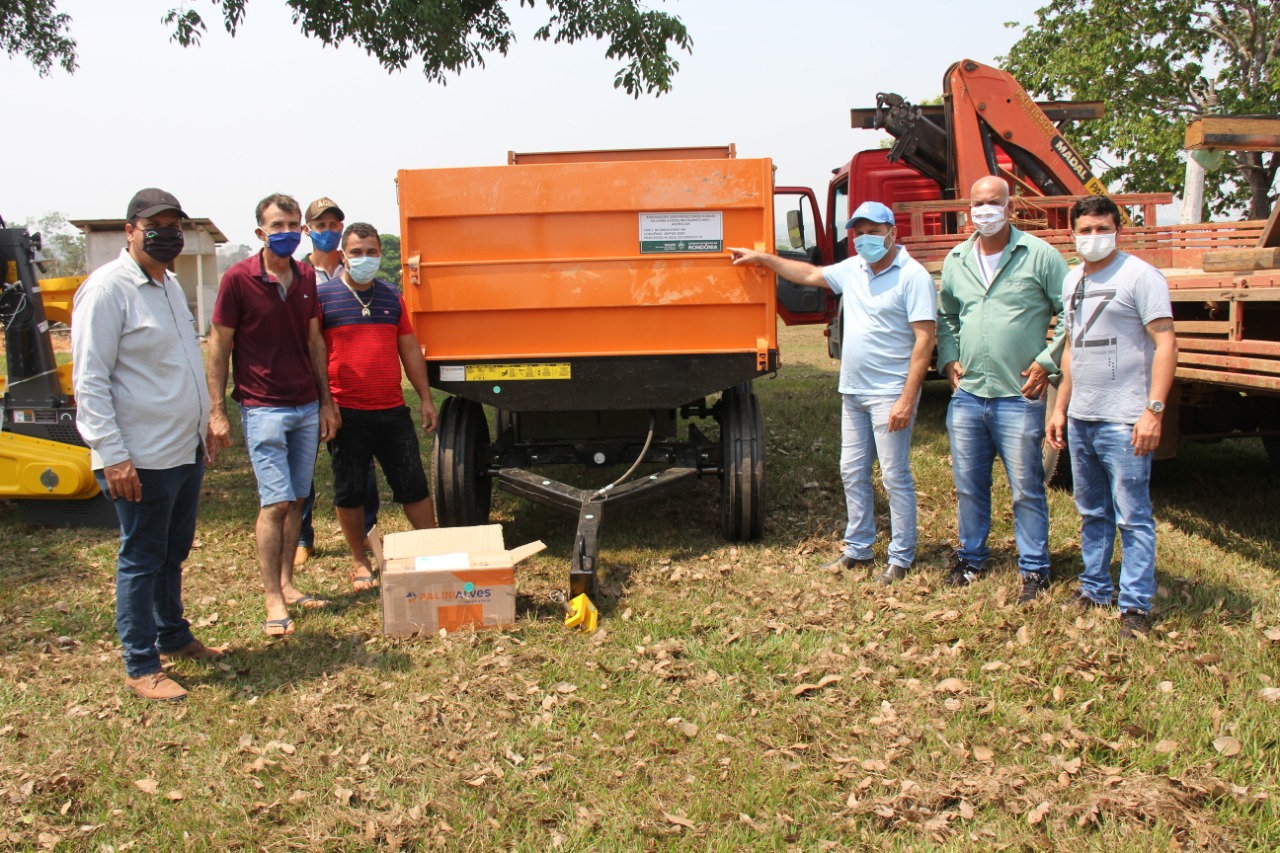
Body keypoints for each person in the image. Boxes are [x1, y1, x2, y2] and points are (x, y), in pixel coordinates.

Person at [729, 201, 936, 584]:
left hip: (889, 392)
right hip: (853, 391)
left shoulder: (913, 275)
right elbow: (808, 273)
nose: (865, 239)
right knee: (852, 472)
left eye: (874, 231)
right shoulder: (853, 269)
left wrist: (907, 398)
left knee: (894, 476)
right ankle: (858, 549)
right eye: (859, 231)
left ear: (892, 232)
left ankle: (901, 556)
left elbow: (925, 341)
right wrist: (763, 258)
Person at [72, 188, 222, 701]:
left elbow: (182, 359)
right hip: (139, 455)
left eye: (174, 224)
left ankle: (174, 636)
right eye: (154, 224)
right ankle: (140, 664)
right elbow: (89, 379)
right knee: (141, 557)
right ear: (130, 230)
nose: (167, 233)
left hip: (182, 448)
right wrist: (112, 454)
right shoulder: (108, 289)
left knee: (171, 551)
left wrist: (203, 421)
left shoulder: (170, 285)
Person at [206, 193, 340, 637]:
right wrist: (217, 410)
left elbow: (315, 342)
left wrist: (326, 400)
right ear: (261, 232)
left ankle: (288, 583)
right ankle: (272, 598)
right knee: (275, 502)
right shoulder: (237, 279)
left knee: (298, 500)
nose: (285, 232)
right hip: (262, 407)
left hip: (305, 406)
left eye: (292, 225)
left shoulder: (305, 277)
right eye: (276, 226)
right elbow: (219, 345)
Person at [1047, 195, 1176, 639]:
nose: (1093, 237)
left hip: (1125, 420)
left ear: (1117, 229)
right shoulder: (1071, 281)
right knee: (1091, 511)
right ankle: (1095, 586)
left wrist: (1153, 410)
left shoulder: (1141, 276)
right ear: (1072, 234)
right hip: (1082, 417)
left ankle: (1135, 605)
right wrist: (1061, 406)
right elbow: (1072, 347)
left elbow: (1165, 343)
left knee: (1132, 515)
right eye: (1085, 230)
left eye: (1102, 228)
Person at [936, 175, 1068, 603]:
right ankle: (971, 558)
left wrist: (1047, 362)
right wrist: (949, 357)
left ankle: (1034, 569)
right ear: (968, 208)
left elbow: (1071, 313)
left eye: (994, 203)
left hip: (1020, 393)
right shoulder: (957, 258)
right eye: (978, 204)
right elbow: (948, 317)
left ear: (1011, 207)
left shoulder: (1040, 255)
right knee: (969, 483)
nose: (985, 210)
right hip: (970, 394)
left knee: (1026, 486)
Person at [319, 223, 437, 589]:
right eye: (357, 252)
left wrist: (427, 399)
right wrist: (325, 404)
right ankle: (359, 560)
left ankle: (432, 552)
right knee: (350, 490)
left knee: (413, 485)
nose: (364, 258)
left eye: (372, 252)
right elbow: (314, 353)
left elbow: (408, 350)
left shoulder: (391, 297)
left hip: (391, 411)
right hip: (346, 412)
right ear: (343, 256)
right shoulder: (323, 298)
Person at [294, 197, 379, 566]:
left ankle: (366, 534)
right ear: (307, 230)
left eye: (334, 225)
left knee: (359, 465)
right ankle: (301, 537)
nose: (327, 232)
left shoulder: (356, 275)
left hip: (347, 387)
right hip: (302, 384)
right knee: (301, 463)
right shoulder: (295, 275)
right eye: (320, 225)